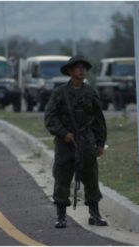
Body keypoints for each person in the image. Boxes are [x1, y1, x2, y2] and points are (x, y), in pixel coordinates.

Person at [44, 55, 108, 228]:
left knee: (91, 178)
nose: (82, 70)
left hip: (87, 142)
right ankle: (61, 216)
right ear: (70, 71)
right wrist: (64, 134)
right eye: (78, 67)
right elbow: (50, 117)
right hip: (66, 144)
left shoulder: (90, 92)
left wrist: (100, 143)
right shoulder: (59, 93)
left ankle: (94, 214)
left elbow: (98, 120)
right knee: (62, 178)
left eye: (84, 67)